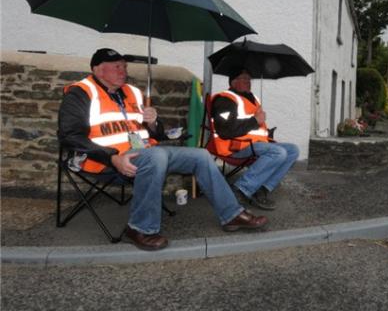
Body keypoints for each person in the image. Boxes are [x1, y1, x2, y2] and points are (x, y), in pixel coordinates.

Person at [58, 48, 267, 251]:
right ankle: (140, 228)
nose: (124, 72)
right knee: (156, 155)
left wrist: (152, 122)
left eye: (124, 66)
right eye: (117, 67)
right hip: (105, 161)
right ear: (98, 70)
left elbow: (156, 134)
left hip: (146, 153)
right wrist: (112, 158)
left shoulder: (133, 92)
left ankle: (231, 214)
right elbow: (69, 136)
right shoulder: (81, 92)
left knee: (201, 155)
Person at [211, 68, 299, 211]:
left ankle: (262, 188)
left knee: (293, 150)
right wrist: (255, 120)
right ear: (233, 82)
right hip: (234, 146)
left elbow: (255, 128)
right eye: (244, 78)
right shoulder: (225, 100)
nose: (248, 82)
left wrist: (263, 128)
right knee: (278, 153)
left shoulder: (252, 98)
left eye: (249, 79)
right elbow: (225, 130)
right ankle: (241, 189)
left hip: (254, 144)